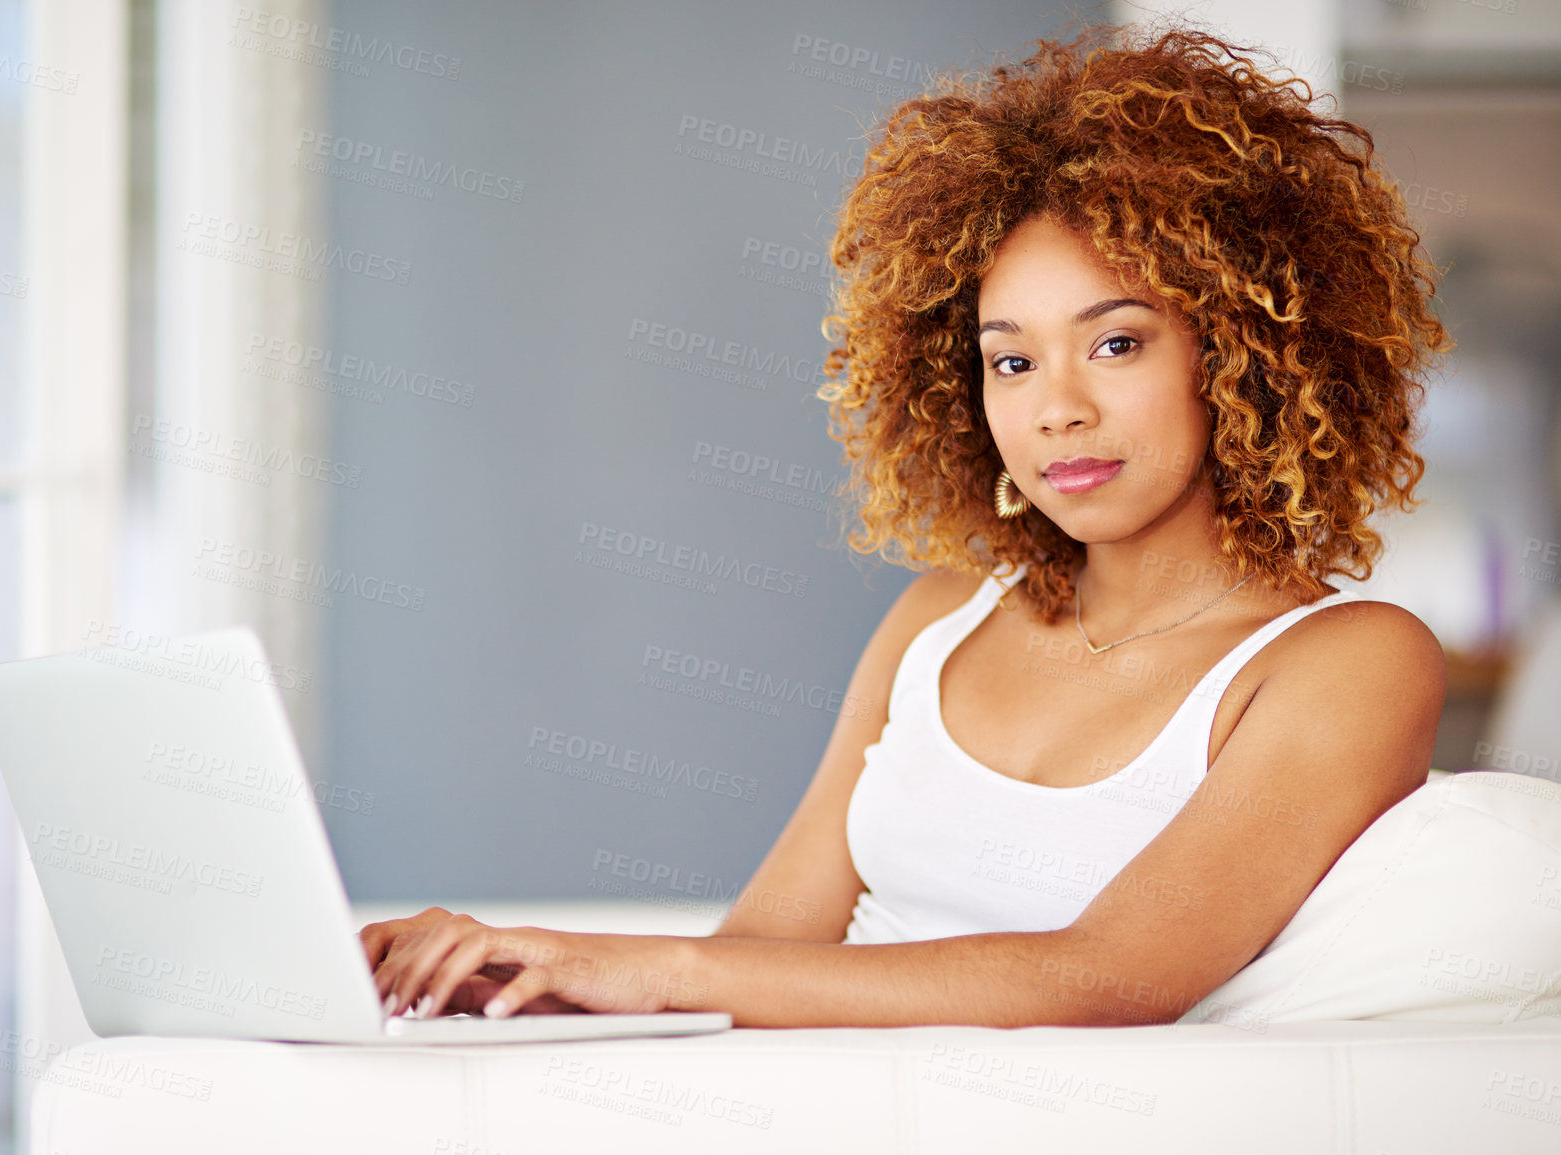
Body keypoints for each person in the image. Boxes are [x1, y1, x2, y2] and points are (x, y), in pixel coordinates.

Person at [359, 19, 1451, 1029]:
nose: (1056, 406)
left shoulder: (1348, 662)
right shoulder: (938, 624)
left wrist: (654, 965)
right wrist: (517, 979)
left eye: (1117, 343)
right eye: (1010, 360)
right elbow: (764, 957)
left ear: (1242, 354)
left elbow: (1109, 977)